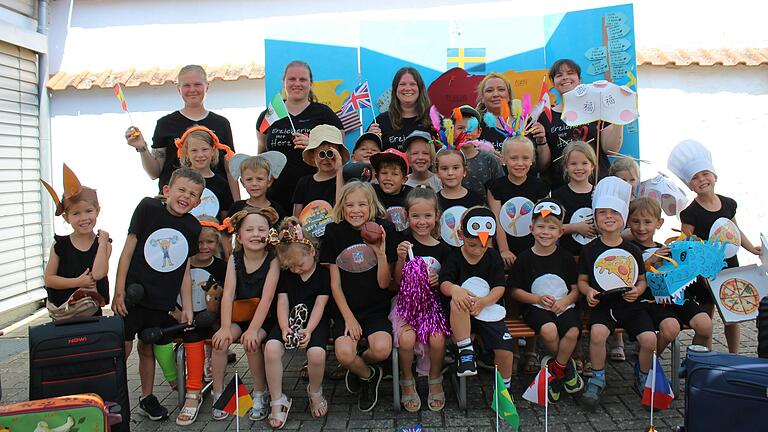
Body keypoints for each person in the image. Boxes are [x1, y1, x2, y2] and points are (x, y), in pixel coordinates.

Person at [111, 167, 203, 421]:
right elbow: (127, 250)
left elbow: (184, 269)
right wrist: (119, 291)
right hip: (134, 295)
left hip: (161, 299)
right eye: (181, 190)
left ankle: (147, 397)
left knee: (147, 347)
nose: (186, 196)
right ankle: (111, 397)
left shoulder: (192, 227)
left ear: (198, 202)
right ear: (167, 191)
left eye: (193, 194)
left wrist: (187, 306)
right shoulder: (147, 208)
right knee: (123, 347)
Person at [669, 139, 761, 353]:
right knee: (707, 313)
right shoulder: (690, 213)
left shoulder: (728, 203)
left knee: (732, 314)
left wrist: (751, 249)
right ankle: (706, 356)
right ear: (690, 185)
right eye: (695, 178)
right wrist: (697, 271)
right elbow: (686, 244)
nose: (701, 180)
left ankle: (734, 355)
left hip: (730, 264)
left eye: (705, 174)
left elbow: (735, 231)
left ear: (714, 176)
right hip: (705, 271)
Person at [578, 177, 656, 408]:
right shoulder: (589, 250)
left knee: (650, 339)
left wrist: (638, 290)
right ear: (596, 217)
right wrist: (589, 291)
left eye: (614, 212)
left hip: (632, 306)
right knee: (598, 335)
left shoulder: (631, 249)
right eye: (602, 212)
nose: (609, 216)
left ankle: (642, 375)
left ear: (623, 218)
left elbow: (642, 281)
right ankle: (598, 377)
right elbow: (582, 281)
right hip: (604, 307)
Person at [320, 181, 397, 412]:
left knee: (382, 349)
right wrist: (349, 318)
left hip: (376, 307)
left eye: (362, 204)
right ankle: (368, 374)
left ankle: (360, 365)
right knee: (344, 354)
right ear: (342, 207)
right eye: (349, 205)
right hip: (347, 309)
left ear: (372, 206)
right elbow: (335, 284)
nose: (356, 210)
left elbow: (385, 284)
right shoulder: (334, 231)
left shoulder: (385, 229)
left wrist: (381, 254)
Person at [508, 199, 583, 402]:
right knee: (549, 330)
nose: (545, 232)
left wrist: (566, 300)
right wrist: (537, 298)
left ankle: (556, 370)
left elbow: (576, 289)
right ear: (532, 229)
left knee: (573, 331)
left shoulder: (566, 258)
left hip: (564, 305)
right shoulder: (524, 259)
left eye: (552, 228)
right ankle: (566, 368)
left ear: (560, 232)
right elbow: (515, 291)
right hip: (536, 307)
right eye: (541, 226)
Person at [210, 207, 280, 422]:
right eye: (249, 230)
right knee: (220, 342)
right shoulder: (235, 259)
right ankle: (219, 393)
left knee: (252, 342)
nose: (256, 234)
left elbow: (267, 299)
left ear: (269, 234)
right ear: (239, 236)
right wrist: (223, 327)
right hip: (240, 315)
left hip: (264, 318)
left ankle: (260, 392)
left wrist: (252, 330)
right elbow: (228, 293)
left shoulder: (273, 260)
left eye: (261, 229)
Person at [125, 65, 237, 197]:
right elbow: (154, 173)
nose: (192, 90)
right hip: (173, 205)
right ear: (179, 89)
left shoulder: (221, 124)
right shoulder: (165, 124)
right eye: (186, 85)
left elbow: (230, 171)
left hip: (216, 202)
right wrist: (142, 148)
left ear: (207, 86)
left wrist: (236, 208)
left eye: (197, 84)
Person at [439, 207, 515, 390]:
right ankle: (465, 352)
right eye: (472, 244)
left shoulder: (494, 257)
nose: (478, 249)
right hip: (460, 318)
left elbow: (499, 287)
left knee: (506, 349)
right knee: (457, 300)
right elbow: (444, 283)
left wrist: (484, 302)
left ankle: (504, 391)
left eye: (484, 244)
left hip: (488, 312)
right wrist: (455, 289)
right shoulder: (454, 257)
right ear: (460, 235)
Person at [264, 218, 330, 428]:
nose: (296, 270)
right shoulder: (287, 276)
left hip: (314, 322)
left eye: (299, 264)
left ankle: (315, 390)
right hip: (288, 320)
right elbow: (282, 302)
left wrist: (309, 330)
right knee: (272, 348)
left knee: (316, 353)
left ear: (311, 251)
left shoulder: (323, 275)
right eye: (290, 266)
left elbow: (320, 304)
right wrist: (284, 327)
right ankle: (277, 399)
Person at [627, 197, 713, 354]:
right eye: (636, 222)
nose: (641, 228)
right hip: (653, 300)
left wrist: (693, 256)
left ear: (659, 223)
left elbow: (684, 273)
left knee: (705, 325)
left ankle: (693, 365)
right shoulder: (628, 250)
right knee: (670, 328)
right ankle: (648, 366)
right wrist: (651, 261)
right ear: (628, 222)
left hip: (679, 297)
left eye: (647, 222)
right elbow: (630, 278)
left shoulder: (667, 248)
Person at [392, 187, 451, 412]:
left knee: (437, 339)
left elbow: (446, 284)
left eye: (427, 215)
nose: (422, 221)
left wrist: (438, 281)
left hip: (431, 307)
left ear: (436, 216)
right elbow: (396, 282)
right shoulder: (403, 243)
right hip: (405, 305)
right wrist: (399, 259)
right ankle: (407, 380)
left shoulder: (444, 250)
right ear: (407, 216)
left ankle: (435, 377)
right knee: (406, 340)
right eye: (416, 216)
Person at [257, 61, 343, 212]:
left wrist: (313, 144)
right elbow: (261, 154)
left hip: (315, 193)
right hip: (276, 195)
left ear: (311, 83)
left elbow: (339, 152)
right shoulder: (269, 114)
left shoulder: (324, 114)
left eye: (302, 79)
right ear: (284, 82)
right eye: (292, 79)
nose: (297, 83)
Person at [535, 59, 623, 189]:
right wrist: (541, 140)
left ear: (579, 79)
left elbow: (611, 149)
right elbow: (543, 165)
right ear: (553, 83)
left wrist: (619, 119)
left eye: (570, 73)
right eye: (559, 75)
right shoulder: (545, 117)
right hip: (562, 189)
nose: (565, 78)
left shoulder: (597, 108)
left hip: (598, 186)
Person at [174, 216, 228, 426]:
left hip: (215, 321)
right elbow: (171, 295)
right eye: (199, 242)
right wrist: (176, 313)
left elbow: (228, 296)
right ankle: (193, 393)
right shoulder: (180, 265)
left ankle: (218, 391)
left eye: (210, 242)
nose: (204, 247)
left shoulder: (222, 267)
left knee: (219, 340)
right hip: (188, 320)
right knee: (191, 332)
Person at [42, 165, 111, 319]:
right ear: (67, 217)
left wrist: (103, 241)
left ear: (97, 211)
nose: (84, 218)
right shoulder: (60, 245)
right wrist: (78, 282)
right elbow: (49, 279)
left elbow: (99, 273)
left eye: (88, 211)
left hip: (90, 311)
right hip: (63, 311)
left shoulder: (104, 244)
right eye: (76, 213)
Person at [487, 135, 550, 268]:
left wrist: (538, 249)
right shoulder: (496, 187)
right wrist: (504, 250)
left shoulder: (539, 186)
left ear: (532, 160)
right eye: (514, 158)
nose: (520, 163)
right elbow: (496, 219)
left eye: (525, 158)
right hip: (506, 248)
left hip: (535, 247)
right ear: (503, 159)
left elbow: (544, 219)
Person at [551, 141, 598, 258]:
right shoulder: (557, 195)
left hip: (596, 257)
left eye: (584, 163)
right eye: (573, 164)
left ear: (592, 166)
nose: (579, 168)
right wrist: (576, 227)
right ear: (566, 167)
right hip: (569, 257)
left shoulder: (600, 194)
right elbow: (551, 227)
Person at [368, 67, 433, 152]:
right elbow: (368, 156)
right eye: (402, 84)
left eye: (413, 84)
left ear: (420, 89)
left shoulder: (433, 120)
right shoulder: (381, 121)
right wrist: (370, 137)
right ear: (395, 89)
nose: (407, 88)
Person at [293, 125, 349, 218]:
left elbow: (342, 208)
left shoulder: (346, 179)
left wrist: (339, 171)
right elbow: (296, 218)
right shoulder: (304, 183)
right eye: (321, 154)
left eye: (331, 154)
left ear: (339, 155)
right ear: (312, 156)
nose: (326, 159)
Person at [435, 148, 485, 249]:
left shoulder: (475, 199)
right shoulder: (433, 200)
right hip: (443, 254)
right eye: (444, 168)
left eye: (455, 168)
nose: (450, 173)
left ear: (464, 170)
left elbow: (483, 232)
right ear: (437, 172)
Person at [453, 105, 503, 201]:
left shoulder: (490, 160)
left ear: (479, 132)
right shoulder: (446, 158)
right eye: (460, 128)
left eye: (470, 128)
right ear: (452, 130)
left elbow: (499, 192)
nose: (465, 132)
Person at [228, 152, 288, 222]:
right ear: (242, 183)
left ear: (269, 182)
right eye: (249, 179)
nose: (254, 183)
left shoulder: (277, 210)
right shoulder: (236, 208)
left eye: (259, 179)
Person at [370, 148, 413, 232]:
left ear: (404, 180)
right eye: (384, 173)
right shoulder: (371, 193)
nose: (388, 178)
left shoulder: (412, 195)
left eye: (395, 174)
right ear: (377, 176)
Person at [475, 73, 514, 152]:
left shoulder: (526, 122)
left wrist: (541, 141)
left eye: (501, 89)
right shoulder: (476, 125)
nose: (496, 94)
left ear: (509, 95)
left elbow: (542, 162)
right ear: (482, 98)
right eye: (489, 90)